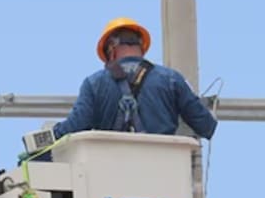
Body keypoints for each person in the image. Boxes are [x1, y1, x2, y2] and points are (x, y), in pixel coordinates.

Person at [51, 17, 217, 140]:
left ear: (111, 50)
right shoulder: (171, 79)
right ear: (142, 47)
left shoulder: (94, 84)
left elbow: (75, 126)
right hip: (164, 172)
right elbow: (206, 125)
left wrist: (50, 135)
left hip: (109, 175)